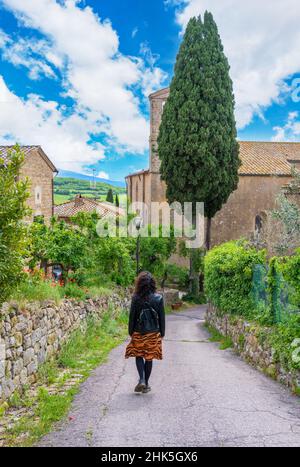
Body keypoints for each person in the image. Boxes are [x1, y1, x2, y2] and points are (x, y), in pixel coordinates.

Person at [125, 271, 165, 393]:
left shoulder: (136, 298)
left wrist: (131, 332)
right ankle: (146, 384)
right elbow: (162, 318)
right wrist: (162, 333)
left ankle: (141, 379)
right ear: (152, 284)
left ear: (139, 284)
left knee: (139, 355)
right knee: (149, 357)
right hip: (153, 333)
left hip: (139, 332)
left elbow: (132, 317)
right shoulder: (158, 298)